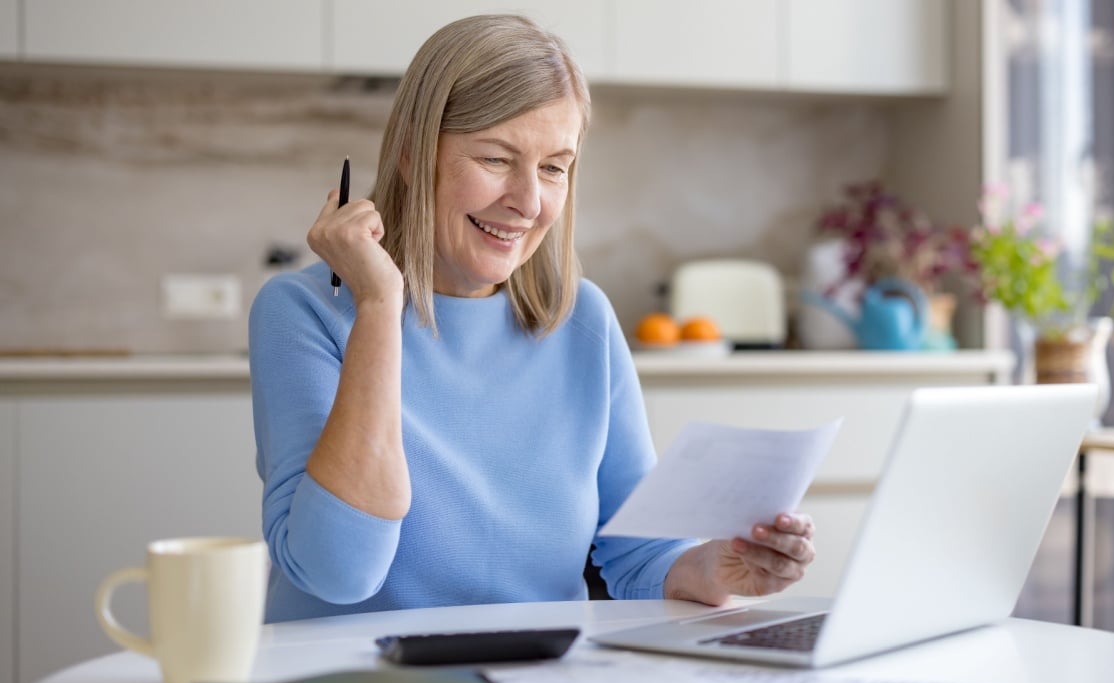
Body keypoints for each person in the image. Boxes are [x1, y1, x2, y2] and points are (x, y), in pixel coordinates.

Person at [248, 14, 816, 623]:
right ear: (413, 154)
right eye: (496, 159)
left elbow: (637, 555)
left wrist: (714, 567)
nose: (529, 202)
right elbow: (338, 572)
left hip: (538, 679)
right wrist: (381, 305)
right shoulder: (303, 313)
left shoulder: (583, 321)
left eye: (554, 167)